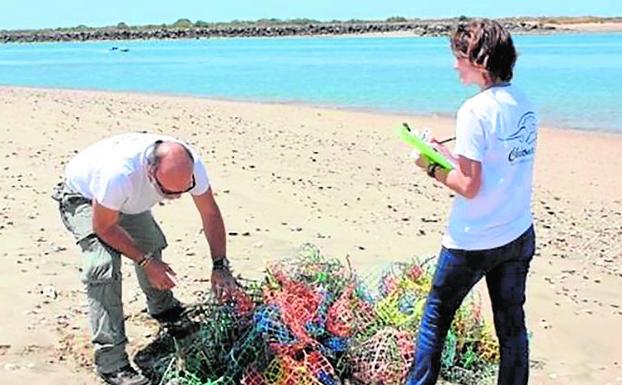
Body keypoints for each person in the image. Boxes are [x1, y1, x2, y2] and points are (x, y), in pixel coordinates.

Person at [406, 19, 537, 385]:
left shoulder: (473, 110)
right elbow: (491, 165)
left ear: (480, 60)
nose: (454, 65)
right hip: (517, 233)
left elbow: (469, 185)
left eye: (458, 56)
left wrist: (429, 166)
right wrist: (442, 151)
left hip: (473, 240)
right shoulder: (523, 101)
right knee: (512, 327)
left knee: (435, 318)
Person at [52, 133, 239, 385]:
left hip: (126, 202)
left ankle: (164, 309)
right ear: (150, 172)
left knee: (151, 243)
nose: (175, 197)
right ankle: (111, 362)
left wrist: (220, 265)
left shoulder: (191, 165)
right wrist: (145, 263)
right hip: (84, 198)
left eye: (183, 190)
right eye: (168, 192)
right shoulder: (118, 175)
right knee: (103, 267)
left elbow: (209, 212)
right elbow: (104, 227)